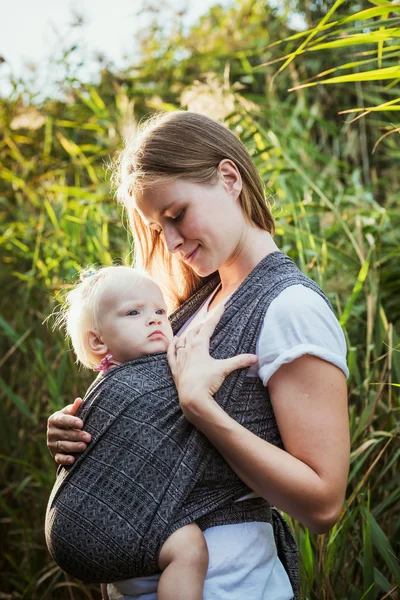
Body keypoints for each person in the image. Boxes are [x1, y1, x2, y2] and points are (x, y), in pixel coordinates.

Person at [47, 110, 350, 600]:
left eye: (176, 215)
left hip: (232, 587)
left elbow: (322, 503)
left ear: (229, 178)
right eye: (156, 226)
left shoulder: (289, 307)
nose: (169, 241)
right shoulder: (187, 306)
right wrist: (85, 430)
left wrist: (202, 408)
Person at [48, 265, 221, 600]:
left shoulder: (114, 379)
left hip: (90, 530)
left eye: (160, 311)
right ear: (97, 341)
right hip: (99, 519)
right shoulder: (140, 379)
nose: (155, 319)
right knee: (190, 550)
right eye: (133, 312)